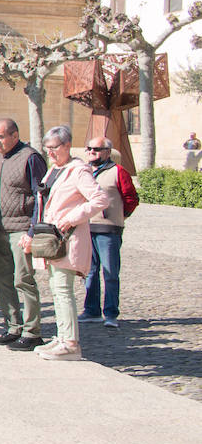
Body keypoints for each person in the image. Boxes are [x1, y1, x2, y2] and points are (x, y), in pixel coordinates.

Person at [21, 125, 109, 361]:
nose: (50, 152)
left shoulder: (78, 171)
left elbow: (100, 199)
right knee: (56, 289)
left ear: (67, 145)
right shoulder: (53, 170)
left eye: (54, 148)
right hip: (51, 239)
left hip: (67, 239)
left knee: (63, 289)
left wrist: (72, 218)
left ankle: (70, 343)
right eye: (47, 148)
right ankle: (62, 337)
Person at [0, 118, 47, 350]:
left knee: (23, 280)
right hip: (0, 228)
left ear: (15, 135)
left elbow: (41, 196)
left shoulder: (30, 158)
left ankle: (32, 332)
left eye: (1, 137)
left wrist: (33, 231)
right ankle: (13, 326)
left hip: (21, 228)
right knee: (2, 279)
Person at [81, 137, 139, 328]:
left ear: (107, 151)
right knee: (90, 271)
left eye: (96, 149)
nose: (91, 152)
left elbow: (131, 197)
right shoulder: (84, 171)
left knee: (110, 272)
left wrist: (119, 216)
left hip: (109, 229)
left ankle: (111, 313)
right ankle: (91, 311)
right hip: (87, 227)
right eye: (89, 148)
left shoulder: (118, 171)